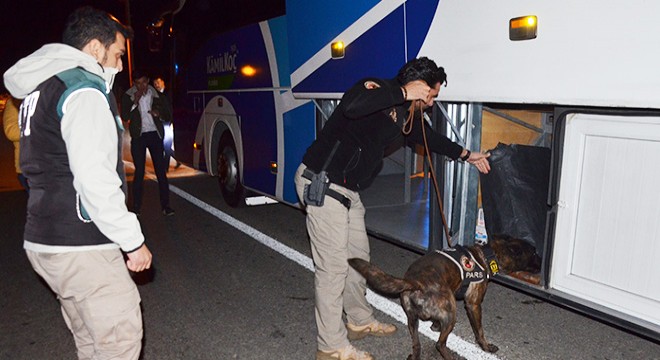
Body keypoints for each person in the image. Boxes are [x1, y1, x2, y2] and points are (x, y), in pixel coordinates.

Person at [294, 57, 491, 360]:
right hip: (323, 183)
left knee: (358, 259)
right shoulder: (376, 89)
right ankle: (331, 345)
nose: (431, 103)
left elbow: (431, 139)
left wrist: (467, 155)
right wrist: (402, 93)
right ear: (420, 87)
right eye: (432, 95)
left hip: (348, 190)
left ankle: (358, 320)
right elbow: (351, 106)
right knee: (332, 269)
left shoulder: (406, 116)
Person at [3, 6, 152, 360]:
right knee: (119, 342)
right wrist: (133, 241)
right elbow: (94, 177)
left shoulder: (41, 87)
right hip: (82, 244)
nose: (118, 66)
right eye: (116, 55)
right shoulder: (83, 89)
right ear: (96, 49)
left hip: (43, 240)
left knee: (89, 340)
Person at [121, 70, 175, 216]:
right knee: (139, 172)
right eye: (138, 83)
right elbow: (125, 116)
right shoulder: (128, 95)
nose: (141, 86)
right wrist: (134, 102)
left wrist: (159, 114)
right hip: (139, 137)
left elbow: (168, 114)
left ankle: (166, 206)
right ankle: (136, 207)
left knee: (160, 172)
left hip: (154, 135)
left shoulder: (156, 95)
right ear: (134, 83)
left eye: (144, 82)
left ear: (148, 81)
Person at [152, 76, 180, 170]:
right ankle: (178, 158)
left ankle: (165, 167)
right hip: (160, 123)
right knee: (164, 144)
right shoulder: (155, 95)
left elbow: (171, 108)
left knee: (166, 144)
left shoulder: (168, 94)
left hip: (168, 122)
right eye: (155, 84)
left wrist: (172, 121)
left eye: (158, 83)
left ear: (163, 83)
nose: (157, 85)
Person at [2, 96, 29, 191]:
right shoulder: (14, 102)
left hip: (52, 162)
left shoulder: (45, 96)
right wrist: (35, 129)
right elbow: (11, 131)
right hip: (27, 166)